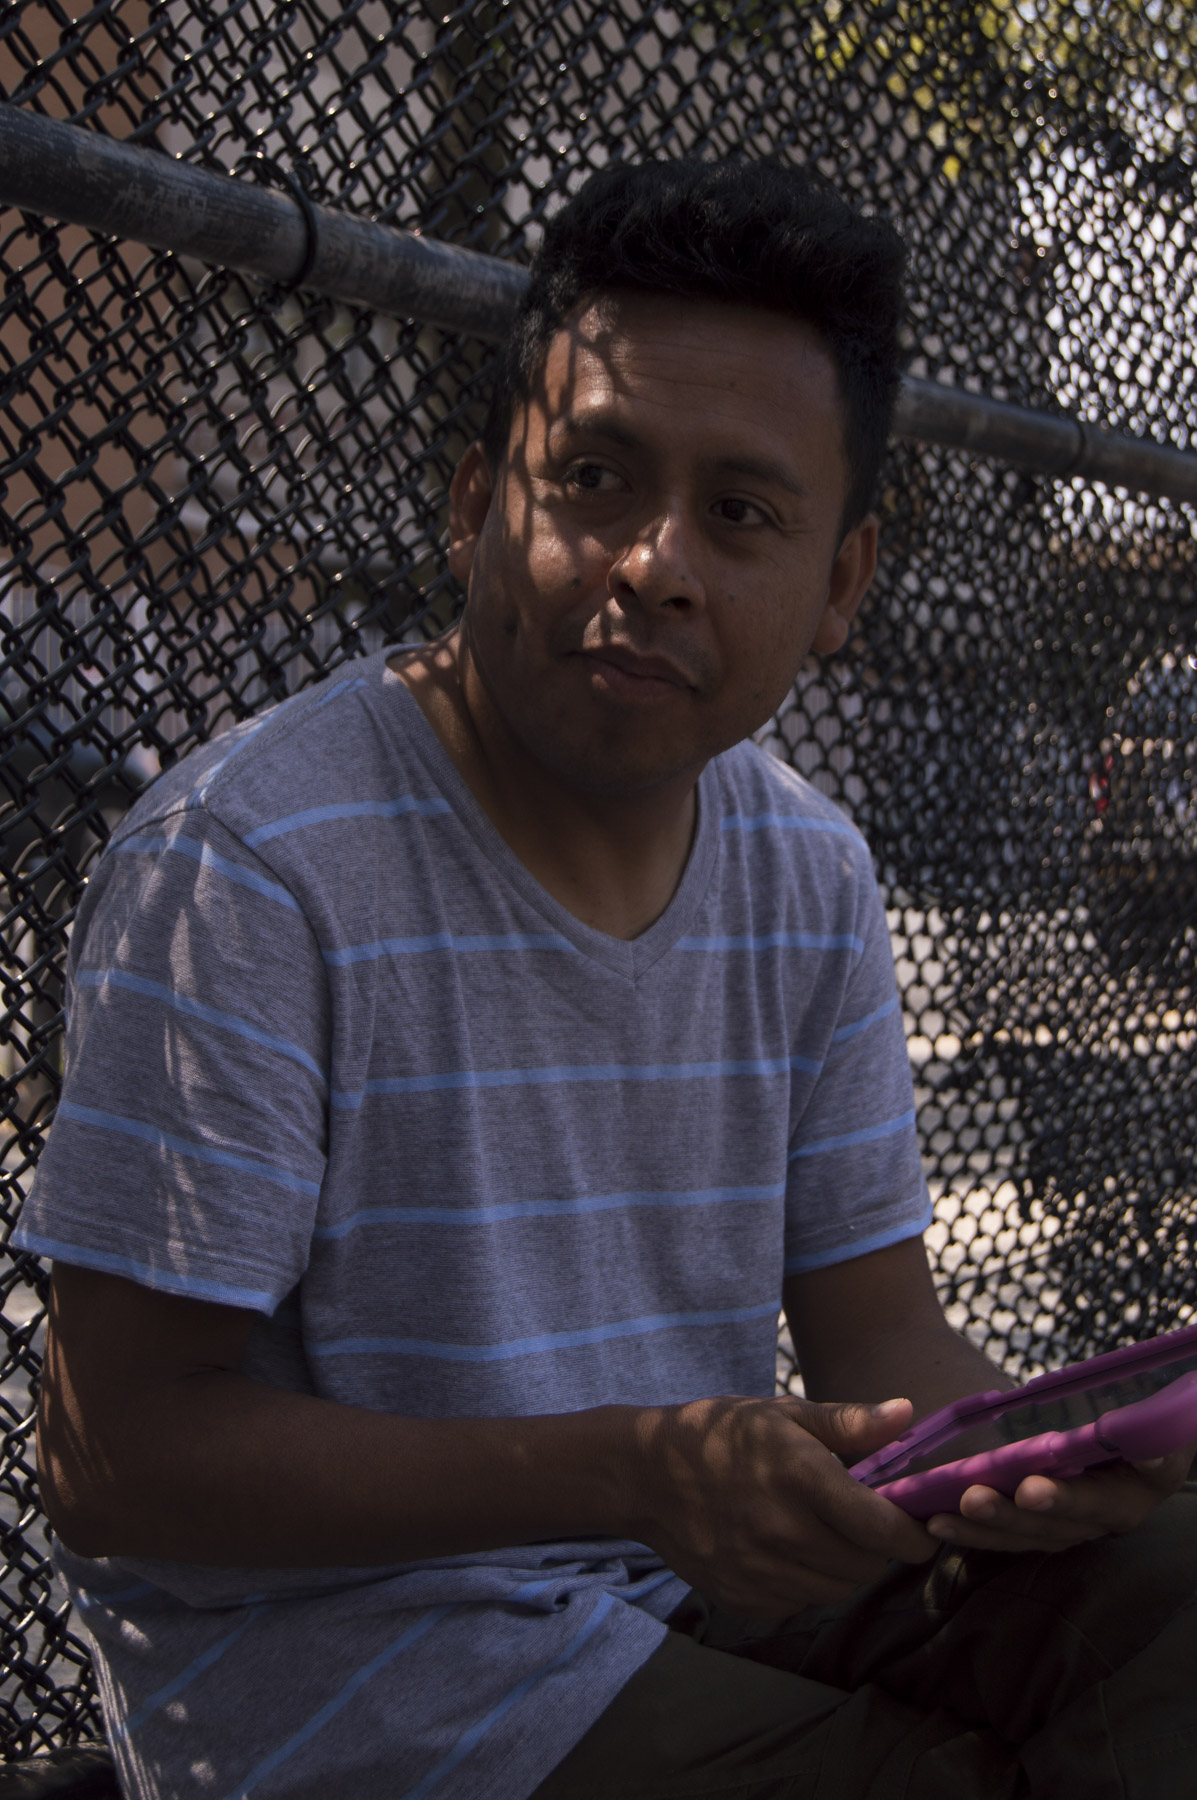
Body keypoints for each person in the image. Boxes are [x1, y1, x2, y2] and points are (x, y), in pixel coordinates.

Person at [19, 159, 1195, 1800]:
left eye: (740, 511)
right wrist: (638, 1471)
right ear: (470, 502)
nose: (654, 564)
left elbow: (885, 1342)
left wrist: (1025, 1461)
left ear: (839, 583)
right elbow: (112, 1461)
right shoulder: (249, 862)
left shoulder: (808, 871)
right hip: (356, 1676)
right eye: (592, 476)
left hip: (677, 1586)